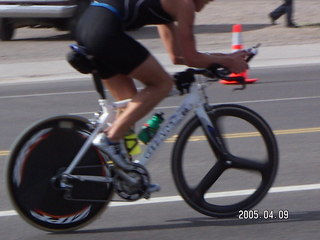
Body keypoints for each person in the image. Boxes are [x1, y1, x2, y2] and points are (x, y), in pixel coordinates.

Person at [75, 0, 249, 192]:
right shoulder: (185, 5)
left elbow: (177, 55)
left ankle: (125, 174)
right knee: (162, 84)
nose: (206, 4)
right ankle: (110, 139)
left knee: (129, 106)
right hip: (105, 30)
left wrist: (222, 59)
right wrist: (227, 61)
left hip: (88, 25)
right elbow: (191, 58)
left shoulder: (169, 7)